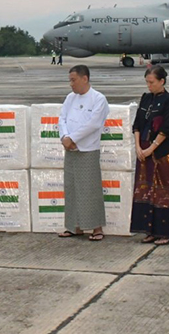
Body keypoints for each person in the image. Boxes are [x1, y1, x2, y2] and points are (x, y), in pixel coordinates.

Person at [57, 65, 109, 241]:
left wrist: (73, 138)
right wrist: (64, 137)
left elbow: (93, 123)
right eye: (70, 80)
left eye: (74, 80)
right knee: (71, 188)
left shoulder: (98, 99)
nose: (71, 84)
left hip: (87, 149)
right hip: (70, 149)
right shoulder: (70, 98)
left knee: (89, 189)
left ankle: (96, 228)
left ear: (84, 79)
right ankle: (74, 226)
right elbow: (61, 118)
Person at [130, 65, 169, 245]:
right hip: (143, 148)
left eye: (151, 82)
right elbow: (137, 124)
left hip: (162, 151)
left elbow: (167, 128)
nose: (149, 86)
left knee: (163, 190)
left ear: (162, 81)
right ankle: (148, 229)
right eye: (147, 82)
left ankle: (164, 232)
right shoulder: (146, 99)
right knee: (145, 189)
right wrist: (138, 147)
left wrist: (151, 149)